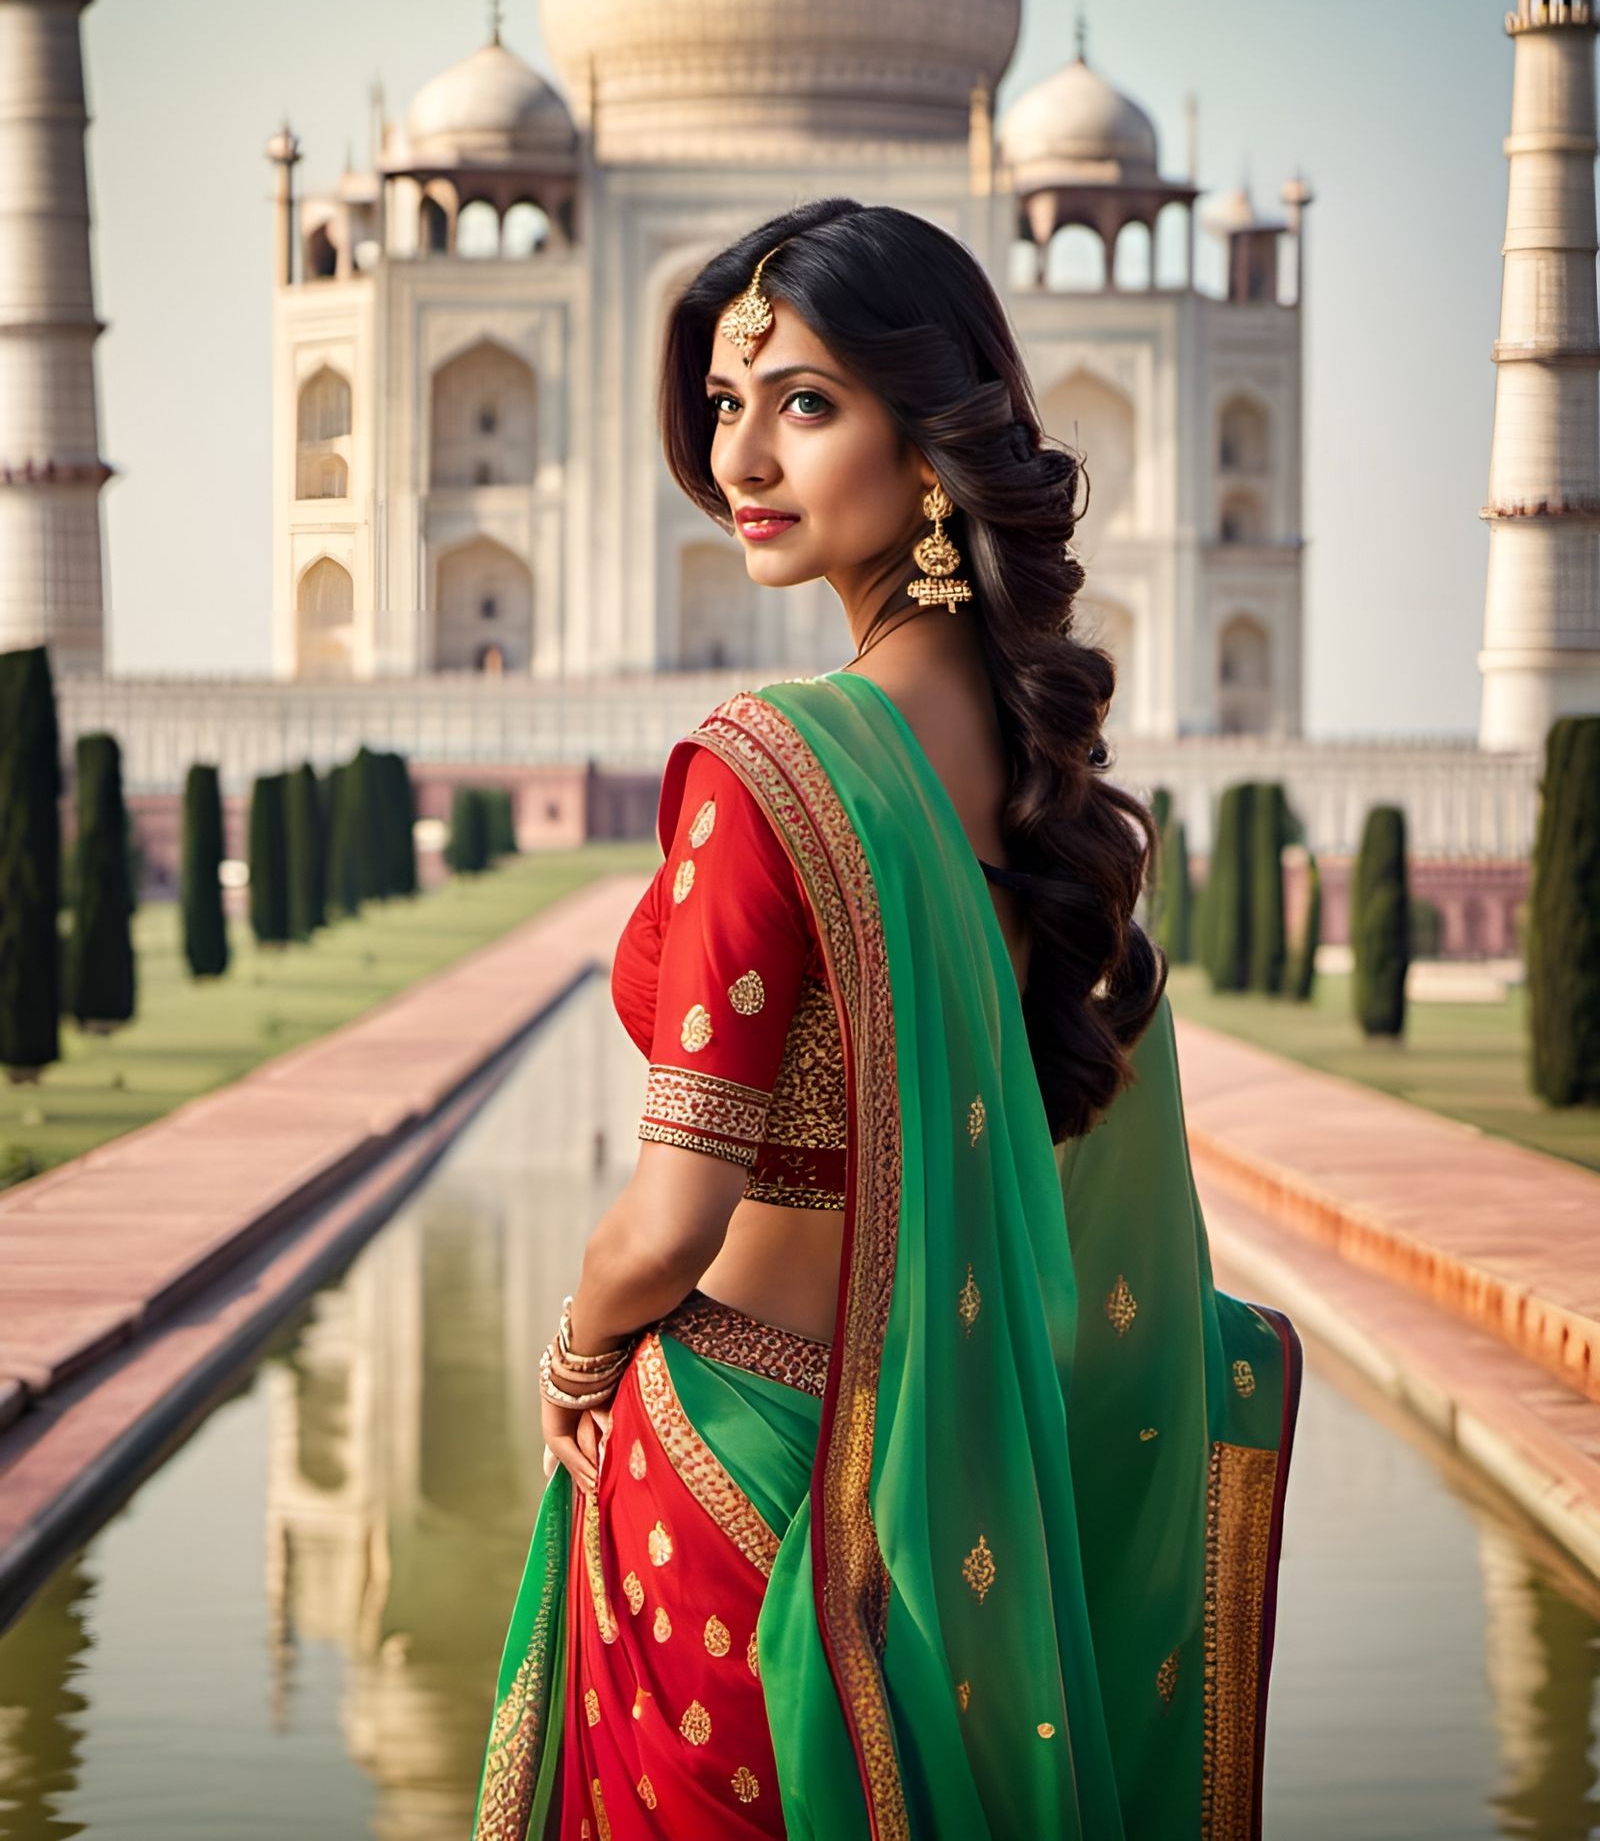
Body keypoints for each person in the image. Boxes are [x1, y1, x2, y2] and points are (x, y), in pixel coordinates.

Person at [470, 200, 1301, 1841]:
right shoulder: (1045, 778)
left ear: (931, 447)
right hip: (953, 1489)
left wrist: (572, 1350)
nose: (745, 458)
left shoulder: (769, 762)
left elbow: (670, 1220)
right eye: (726, 403)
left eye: (804, 401)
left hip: (733, 1475)